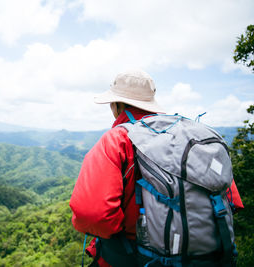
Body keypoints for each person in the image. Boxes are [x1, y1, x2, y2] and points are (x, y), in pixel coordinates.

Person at [69, 69, 244, 267]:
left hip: (137, 258)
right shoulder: (194, 135)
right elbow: (231, 202)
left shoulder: (118, 139)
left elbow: (91, 215)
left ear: (116, 105)